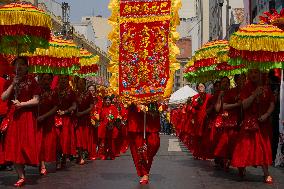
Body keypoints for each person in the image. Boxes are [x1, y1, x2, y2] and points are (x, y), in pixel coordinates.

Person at [1, 57, 40, 187]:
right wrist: (13, 84)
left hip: (27, 116)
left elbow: (36, 100)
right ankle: (21, 176)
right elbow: (3, 97)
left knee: (25, 145)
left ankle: (24, 167)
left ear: (27, 67)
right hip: (14, 117)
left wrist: (22, 104)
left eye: (23, 64)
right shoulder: (10, 81)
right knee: (14, 145)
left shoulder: (32, 81)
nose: (20, 67)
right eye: (17, 65)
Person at [231, 69, 275, 184]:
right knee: (244, 147)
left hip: (263, 123)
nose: (253, 75)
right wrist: (254, 94)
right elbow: (244, 106)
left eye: (256, 72)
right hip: (249, 122)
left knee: (263, 147)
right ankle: (242, 168)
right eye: (251, 72)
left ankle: (266, 173)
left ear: (260, 74)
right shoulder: (246, 88)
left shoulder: (267, 88)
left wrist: (266, 115)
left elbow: (272, 104)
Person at [128, 102, 160, 185]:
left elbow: (158, 108)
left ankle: (145, 169)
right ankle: (145, 173)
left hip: (151, 124)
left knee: (154, 144)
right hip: (137, 125)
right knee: (140, 151)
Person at [37, 73, 58, 175]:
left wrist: (44, 116)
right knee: (38, 143)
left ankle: (42, 164)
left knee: (46, 143)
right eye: (44, 79)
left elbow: (55, 107)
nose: (46, 81)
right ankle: (41, 164)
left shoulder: (54, 93)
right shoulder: (36, 92)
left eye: (48, 79)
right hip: (36, 121)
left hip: (48, 121)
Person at [56, 75, 77, 169]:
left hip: (66, 119)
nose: (63, 80)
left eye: (65, 78)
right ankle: (57, 159)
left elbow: (74, 106)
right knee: (56, 139)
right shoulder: (55, 92)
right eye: (61, 79)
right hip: (55, 118)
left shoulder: (71, 92)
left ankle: (63, 158)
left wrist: (65, 111)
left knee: (64, 140)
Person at [75, 78, 94, 165]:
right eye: (79, 83)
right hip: (76, 119)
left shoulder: (88, 94)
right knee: (78, 138)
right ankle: (80, 155)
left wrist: (82, 113)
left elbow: (91, 107)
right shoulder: (74, 93)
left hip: (85, 118)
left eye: (82, 83)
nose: (81, 85)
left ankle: (82, 154)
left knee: (84, 137)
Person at [191, 83, 211, 159]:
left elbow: (212, 105)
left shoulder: (209, 96)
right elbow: (192, 108)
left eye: (202, 86)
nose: (200, 87)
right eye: (199, 86)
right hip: (198, 119)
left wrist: (209, 110)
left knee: (205, 137)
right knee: (197, 137)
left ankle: (204, 154)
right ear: (197, 88)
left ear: (205, 87)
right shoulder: (195, 97)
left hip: (206, 118)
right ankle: (197, 153)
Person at [98, 96, 118, 160]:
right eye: (106, 100)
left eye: (109, 100)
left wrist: (111, 123)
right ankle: (103, 155)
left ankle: (111, 154)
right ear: (104, 101)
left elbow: (115, 116)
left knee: (111, 142)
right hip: (103, 127)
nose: (107, 101)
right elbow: (100, 118)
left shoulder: (113, 107)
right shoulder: (102, 108)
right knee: (103, 142)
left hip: (111, 127)